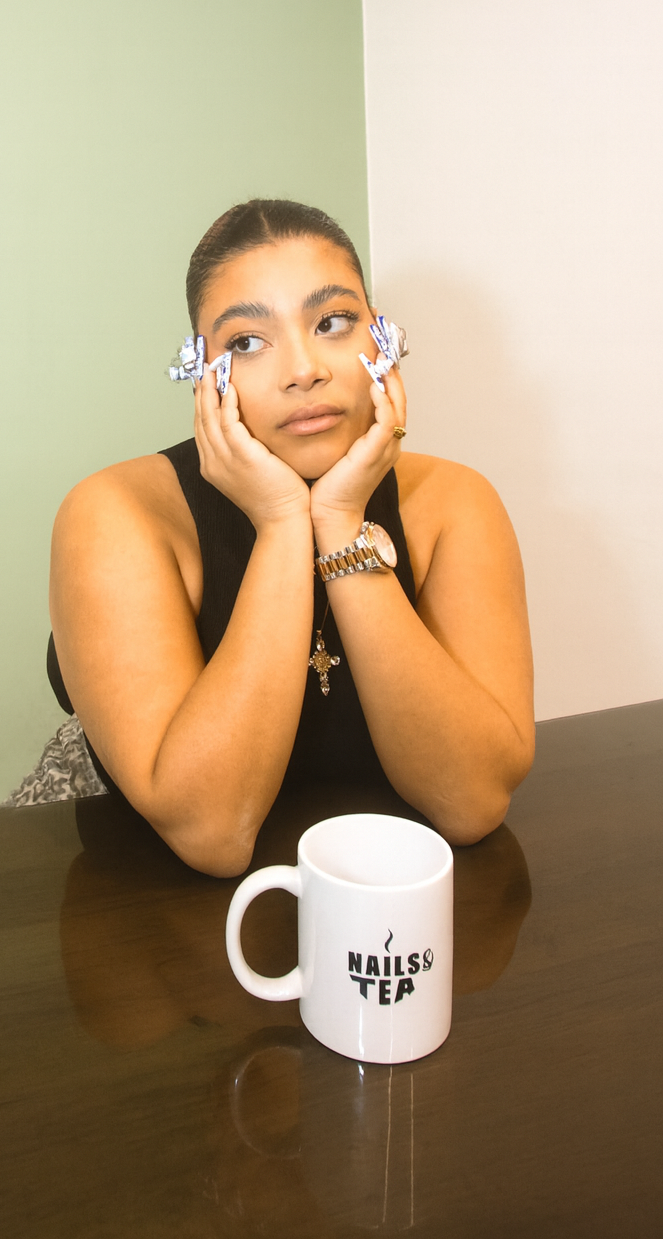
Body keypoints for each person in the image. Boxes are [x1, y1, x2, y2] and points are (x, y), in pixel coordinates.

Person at [47, 199, 534, 877]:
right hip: (149, 912)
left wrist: (337, 522)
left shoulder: (454, 503)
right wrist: (282, 523)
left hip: (381, 905)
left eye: (333, 322)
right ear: (201, 371)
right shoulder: (115, 514)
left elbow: (472, 801)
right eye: (246, 341)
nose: (303, 369)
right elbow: (210, 831)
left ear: (382, 340)